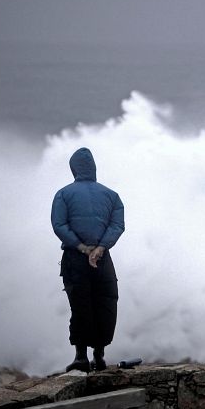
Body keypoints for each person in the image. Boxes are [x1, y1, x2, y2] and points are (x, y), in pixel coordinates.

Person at [51, 147, 125, 372]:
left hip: (75, 258)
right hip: (102, 260)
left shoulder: (63, 194)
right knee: (105, 302)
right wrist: (100, 248)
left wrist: (83, 248)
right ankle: (99, 357)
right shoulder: (112, 196)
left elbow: (59, 225)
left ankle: (81, 357)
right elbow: (117, 225)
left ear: (74, 169)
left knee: (81, 305)